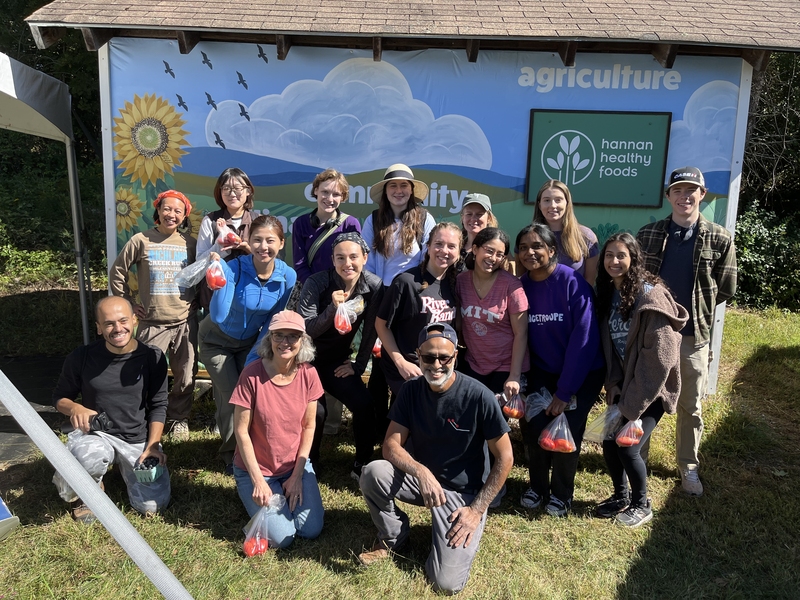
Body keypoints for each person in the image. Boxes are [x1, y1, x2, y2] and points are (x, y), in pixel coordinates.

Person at [358, 323, 513, 595]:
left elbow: (506, 458)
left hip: (464, 495)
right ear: (417, 356)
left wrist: (476, 510)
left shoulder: (479, 396)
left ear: (456, 356)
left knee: (445, 583)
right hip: (425, 482)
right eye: (429, 357)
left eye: (445, 357)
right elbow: (391, 445)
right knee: (373, 473)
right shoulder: (410, 391)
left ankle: (456, 533)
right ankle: (394, 537)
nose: (437, 364)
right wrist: (421, 472)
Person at [636, 167, 737, 496]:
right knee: (645, 399)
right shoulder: (648, 234)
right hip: (654, 334)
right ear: (669, 196)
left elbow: (726, 288)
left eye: (692, 190)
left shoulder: (720, 238)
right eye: (678, 190)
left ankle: (688, 467)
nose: (685, 196)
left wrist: (698, 312)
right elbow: (638, 282)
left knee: (690, 406)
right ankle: (637, 459)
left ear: (702, 195)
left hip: (693, 336)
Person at [594, 233, 688, 527]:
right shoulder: (610, 293)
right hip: (626, 384)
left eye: (621, 255)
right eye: (609, 255)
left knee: (628, 446)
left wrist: (632, 406)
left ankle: (641, 504)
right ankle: (620, 496)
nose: (614, 261)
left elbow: (660, 359)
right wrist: (614, 384)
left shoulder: (650, 297)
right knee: (609, 440)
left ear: (634, 259)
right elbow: (611, 346)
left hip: (653, 389)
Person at [52, 296, 170, 523]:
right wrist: (75, 407)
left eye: (123, 320)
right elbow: (59, 398)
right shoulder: (81, 357)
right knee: (88, 459)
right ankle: (89, 491)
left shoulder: (152, 358)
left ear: (134, 320)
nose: (118, 328)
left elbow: (159, 404)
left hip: (135, 437)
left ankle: (123, 468)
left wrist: (153, 445)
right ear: (98, 328)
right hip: (96, 435)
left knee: (153, 508)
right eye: (109, 323)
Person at [516, 223, 605, 517]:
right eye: (524, 247)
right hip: (543, 370)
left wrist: (565, 392)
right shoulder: (521, 286)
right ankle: (538, 487)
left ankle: (562, 494)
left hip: (582, 372)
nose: (531, 252)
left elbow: (584, 339)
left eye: (537, 246)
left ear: (552, 251)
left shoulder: (572, 282)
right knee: (535, 426)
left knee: (567, 430)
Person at [199, 215, 296, 473]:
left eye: (270, 241)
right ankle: (232, 455)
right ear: (248, 242)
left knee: (253, 394)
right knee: (234, 396)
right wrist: (218, 278)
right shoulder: (234, 268)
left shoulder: (288, 276)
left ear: (281, 243)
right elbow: (218, 315)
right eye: (257, 240)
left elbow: (273, 320)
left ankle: (251, 447)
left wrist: (255, 355)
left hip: (250, 342)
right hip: (215, 339)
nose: (263, 247)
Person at [230, 311, 324, 548]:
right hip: (259, 469)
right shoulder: (251, 375)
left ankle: (285, 492)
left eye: (293, 337)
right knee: (284, 538)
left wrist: (296, 476)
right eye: (279, 335)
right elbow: (241, 431)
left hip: (293, 465)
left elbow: (309, 425)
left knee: (311, 529)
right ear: (269, 339)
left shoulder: (309, 374)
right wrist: (258, 481)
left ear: (303, 340)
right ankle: (255, 491)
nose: (285, 343)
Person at [109, 189, 197, 442]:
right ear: (158, 210)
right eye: (167, 209)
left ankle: (178, 419)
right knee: (144, 375)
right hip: (151, 323)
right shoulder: (141, 240)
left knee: (185, 375)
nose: (172, 214)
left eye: (178, 211)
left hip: (184, 323)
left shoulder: (190, 244)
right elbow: (117, 272)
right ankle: (145, 419)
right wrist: (127, 302)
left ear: (184, 216)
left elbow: (201, 276)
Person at [296, 232, 384, 479]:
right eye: (340, 258)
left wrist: (358, 366)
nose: (348, 264)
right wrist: (332, 308)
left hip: (337, 362)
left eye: (354, 257)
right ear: (333, 261)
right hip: (307, 360)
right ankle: (309, 464)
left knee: (365, 405)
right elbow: (307, 328)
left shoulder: (373, 286)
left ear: (365, 258)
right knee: (318, 413)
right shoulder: (317, 283)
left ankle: (362, 464)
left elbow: (370, 331)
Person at [363, 164, 436, 432]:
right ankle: (379, 426)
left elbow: (429, 258)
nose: (398, 190)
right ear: (385, 191)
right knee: (380, 362)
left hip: (412, 297)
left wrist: (416, 289)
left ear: (412, 190)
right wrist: (376, 292)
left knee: (404, 355)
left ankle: (402, 423)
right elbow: (366, 262)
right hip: (380, 295)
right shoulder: (372, 220)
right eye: (393, 186)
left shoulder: (425, 219)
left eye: (404, 185)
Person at [374, 221, 461, 398]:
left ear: (459, 253)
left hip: (439, 369)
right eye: (438, 244)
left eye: (452, 246)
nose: (444, 250)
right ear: (428, 247)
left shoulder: (456, 285)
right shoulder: (406, 281)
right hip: (409, 369)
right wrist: (400, 362)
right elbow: (381, 325)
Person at [455, 227, 529, 399]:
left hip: (505, 367)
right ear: (475, 249)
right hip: (474, 363)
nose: (493, 258)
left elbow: (521, 333)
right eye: (489, 251)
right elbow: (458, 323)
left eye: (499, 254)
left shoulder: (512, 286)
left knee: (492, 420)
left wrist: (514, 376)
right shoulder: (461, 281)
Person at [195, 168, 259, 310]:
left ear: (248, 191)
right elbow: (199, 262)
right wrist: (219, 245)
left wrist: (246, 248)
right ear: (220, 192)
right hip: (216, 297)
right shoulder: (210, 221)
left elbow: (268, 262)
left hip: (248, 297)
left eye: (237, 188)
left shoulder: (258, 221)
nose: (231, 193)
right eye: (226, 188)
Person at [291, 168, 362, 284]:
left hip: (341, 290)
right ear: (315, 191)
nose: (330, 199)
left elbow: (354, 263)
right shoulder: (301, 223)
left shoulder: (351, 224)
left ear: (342, 197)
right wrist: (315, 287)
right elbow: (300, 265)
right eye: (325, 192)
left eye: (336, 194)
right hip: (311, 289)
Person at [532, 180, 599, 286]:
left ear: (567, 203)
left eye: (558, 200)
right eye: (547, 200)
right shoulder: (528, 237)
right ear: (540, 205)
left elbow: (589, 282)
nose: (553, 205)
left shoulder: (586, 237)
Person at [459, 193, 499, 269]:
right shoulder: (455, 247)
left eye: (479, 214)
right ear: (462, 217)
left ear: (489, 218)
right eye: (469, 214)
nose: (473, 218)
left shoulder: (497, 249)